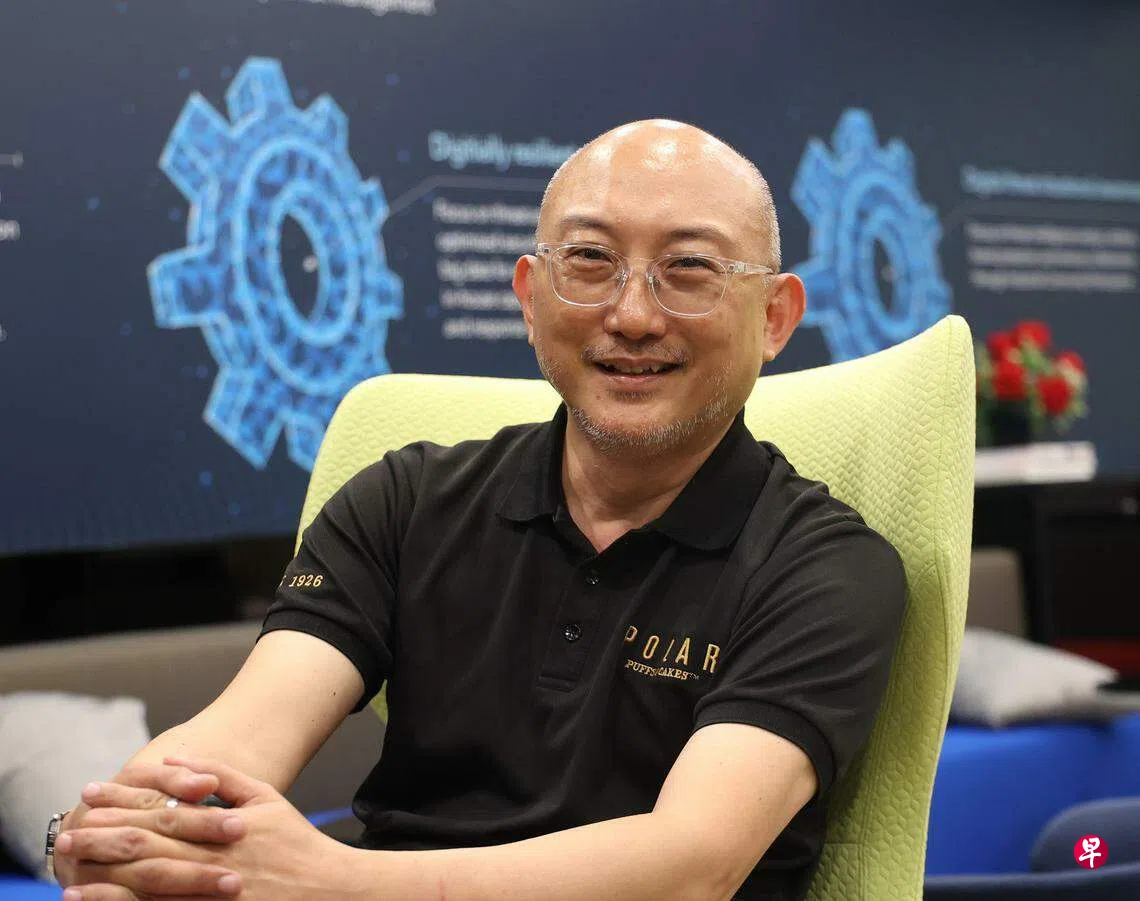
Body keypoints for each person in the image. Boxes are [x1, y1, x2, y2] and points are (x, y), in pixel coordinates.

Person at [49, 119, 906, 901]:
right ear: (531, 297)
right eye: (590, 260)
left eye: (689, 269)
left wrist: (332, 880)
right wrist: (126, 836)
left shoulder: (825, 567)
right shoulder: (405, 502)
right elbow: (231, 744)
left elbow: (689, 865)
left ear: (775, 316)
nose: (633, 314)